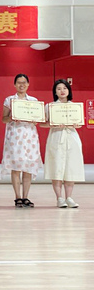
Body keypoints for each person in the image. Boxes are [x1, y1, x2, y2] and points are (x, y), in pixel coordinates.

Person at [1, 74, 43, 208]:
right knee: (16, 167)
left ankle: (25, 196)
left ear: (28, 84)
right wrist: (12, 118)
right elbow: (4, 119)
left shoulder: (33, 101)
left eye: (24, 82)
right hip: (15, 137)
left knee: (28, 167)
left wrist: (35, 120)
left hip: (30, 137)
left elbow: (38, 120)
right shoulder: (9, 100)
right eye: (19, 82)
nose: (21, 85)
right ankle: (17, 197)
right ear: (14, 84)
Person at [42, 79, 84, 208]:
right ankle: (59, 198)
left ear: (69, 90)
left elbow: (80, 124)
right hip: (56, 137)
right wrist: (53, 125)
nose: (62, 91)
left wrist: (76, 124)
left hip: (72, 138)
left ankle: (69, 197)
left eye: (64, 88)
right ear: (55, 92)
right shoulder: (50, 106)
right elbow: (42, 123)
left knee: (71, 167)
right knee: (57, 167)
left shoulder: (75, 107)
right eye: (59, 88)